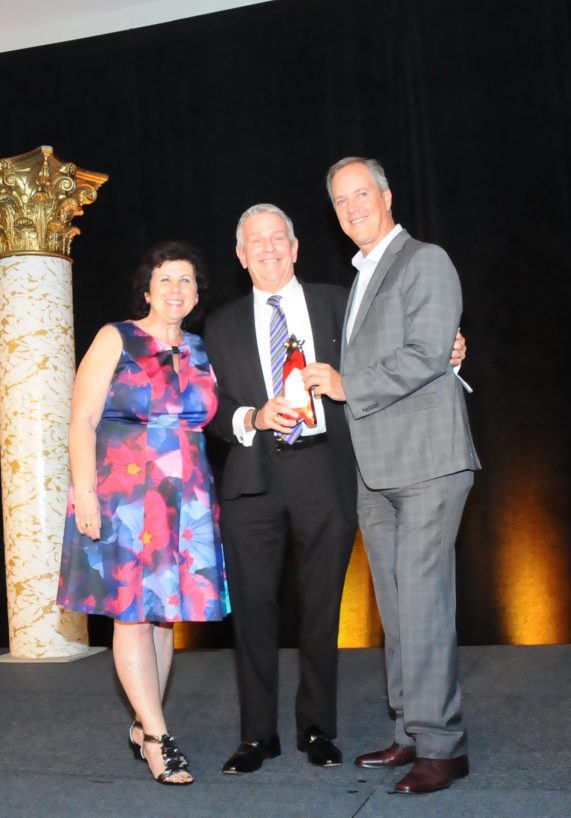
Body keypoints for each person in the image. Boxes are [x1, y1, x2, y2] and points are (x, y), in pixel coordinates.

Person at [203, 203, 466, 775]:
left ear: (295, 248)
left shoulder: (342, 304)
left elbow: (400, 345)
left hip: (327, 472)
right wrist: (251, 416)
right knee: (253, 612)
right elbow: (209, 408)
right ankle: (256, 737)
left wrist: (449, 344)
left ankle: (317, 729)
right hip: (252, 481)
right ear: (241, 256)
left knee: (323, 610)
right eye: (256, 242)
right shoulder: (218, 325)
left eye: (279, 238)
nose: (269, 249)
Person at [303, 157, 481, 794]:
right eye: (340, 201)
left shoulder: (424, 260)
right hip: (376, 468)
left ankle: (443, 746)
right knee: (399, 608)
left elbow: (428, 353)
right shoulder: (362, 278)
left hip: (428, 461)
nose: (352, 208)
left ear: (386, 196)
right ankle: (409, 729)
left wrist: (347, 384)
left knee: (424, 603)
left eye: (361, 195)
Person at [57, 241, 230, 786]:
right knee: (131, 614)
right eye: (166, 279)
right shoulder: (117, 337)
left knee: (162, 616)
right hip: (124, 495)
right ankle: (157, 737)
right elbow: (82, 418)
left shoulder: (202, 350)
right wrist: (85, 493)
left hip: (185, 498)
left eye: (186, 280)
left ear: (197, 294)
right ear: (147, 290)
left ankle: (143, 723)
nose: (176, 288)